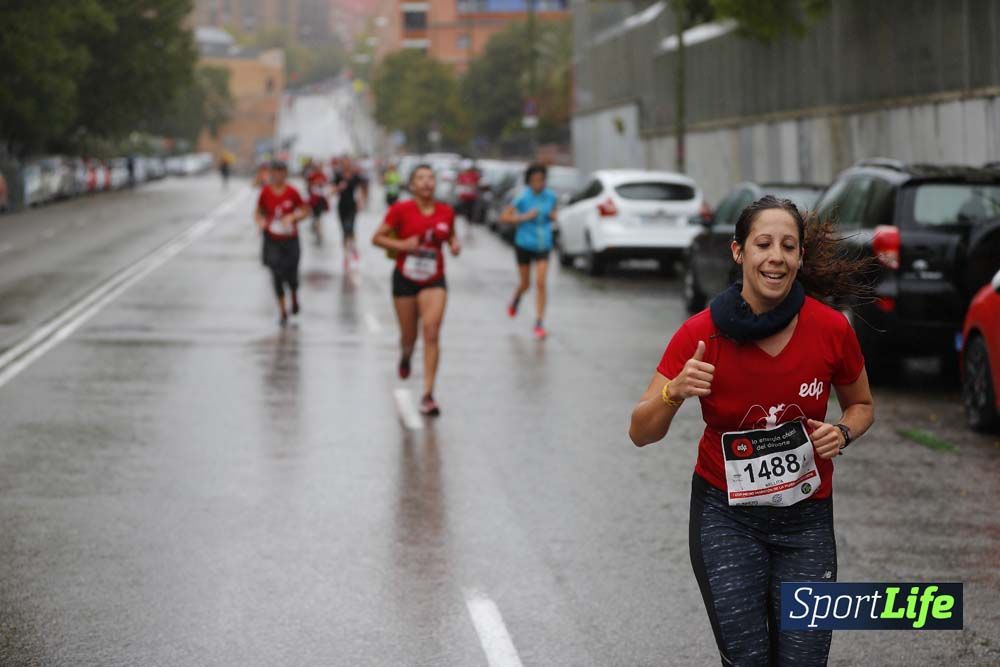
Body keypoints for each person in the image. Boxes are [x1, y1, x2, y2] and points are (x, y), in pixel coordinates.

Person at [628, 195, 877, 666]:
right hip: (726, 519)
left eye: (788, 246)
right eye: (763, 244)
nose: (776, 257)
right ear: (739, 252)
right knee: (748, 659)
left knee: (803, 659)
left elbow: (862, 405)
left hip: (806, 522)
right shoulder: (700, 335)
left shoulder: (830, 330)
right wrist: (675, 392)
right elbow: (640, 431)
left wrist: (843, 432)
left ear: (800, 256)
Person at [372, 164, 460, 417]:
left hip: (434, 278)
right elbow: (376, 238)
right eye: (420, 178)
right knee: (409, 337)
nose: (426, 182)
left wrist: (454, 245)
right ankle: (406, 355)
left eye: (430, 177)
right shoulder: (400, 210)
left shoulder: (446, 211)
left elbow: (450, 236)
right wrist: (402, 244)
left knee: (431, 331)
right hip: (405, 278)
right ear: (411, 186)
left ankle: (428, 394)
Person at [500, 163, 558, 339]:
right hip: (524, 243)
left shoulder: (551, 197)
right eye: (534, 180)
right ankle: (516, 299)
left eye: (541, 180)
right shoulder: (522, 197)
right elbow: (504, 216)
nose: (538, 184)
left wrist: (553, 216)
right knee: (526, 284)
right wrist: (524, 217)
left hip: (543, 244)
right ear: (529, 181)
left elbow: (554, 213)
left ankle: (539, 322)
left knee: (541, 283)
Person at [254, 160, 309, 326]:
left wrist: (293, 217)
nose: (278, 175)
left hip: (290, 239)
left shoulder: (292, 192)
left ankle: (294, 295)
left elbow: (305, 210)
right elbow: (258, 212)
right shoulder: (265, 192)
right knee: (276, 274)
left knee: (291, 274)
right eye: (275, 172)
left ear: (285, 173)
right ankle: (283, 311)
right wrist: (261, 222)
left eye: (281, 172)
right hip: (272, 240)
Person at [335, 158, 368, 268]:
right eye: (344, 164)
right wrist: (338, 188)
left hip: (352, 206)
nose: (346, 166)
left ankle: (353, 248)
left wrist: (361, 201)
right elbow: (331, 189)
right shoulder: (338, 176)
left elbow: (361, 189)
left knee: (350, 228)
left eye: (348, 164)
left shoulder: (355, 177)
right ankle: (345, 255)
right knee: (344, 230)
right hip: (341, 206)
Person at [304, 159, 330, 244]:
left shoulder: (323, 175)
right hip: (314, 199)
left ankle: (318, 230)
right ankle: (316, 227)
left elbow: (326, 186)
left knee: (319, 216)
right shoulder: (311, 176)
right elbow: (308, 186)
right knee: (315, 215)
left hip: (321, 199)